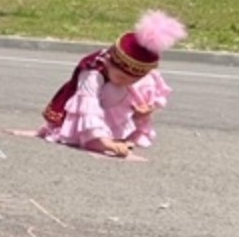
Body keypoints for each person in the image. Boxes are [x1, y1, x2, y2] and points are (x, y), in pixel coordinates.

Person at [38, 10, 187, 157]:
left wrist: (144, 111)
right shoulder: (93, 72)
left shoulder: (140, 76)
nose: (126, 81)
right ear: (109, 62)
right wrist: (103, 142)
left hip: (109, 106)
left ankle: (116, 132)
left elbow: (147, 92)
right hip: (83, 111)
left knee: (132, 87)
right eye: (121, 76)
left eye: (133, 78)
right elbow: (88, 108)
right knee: (114, 90)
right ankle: (95, 136)